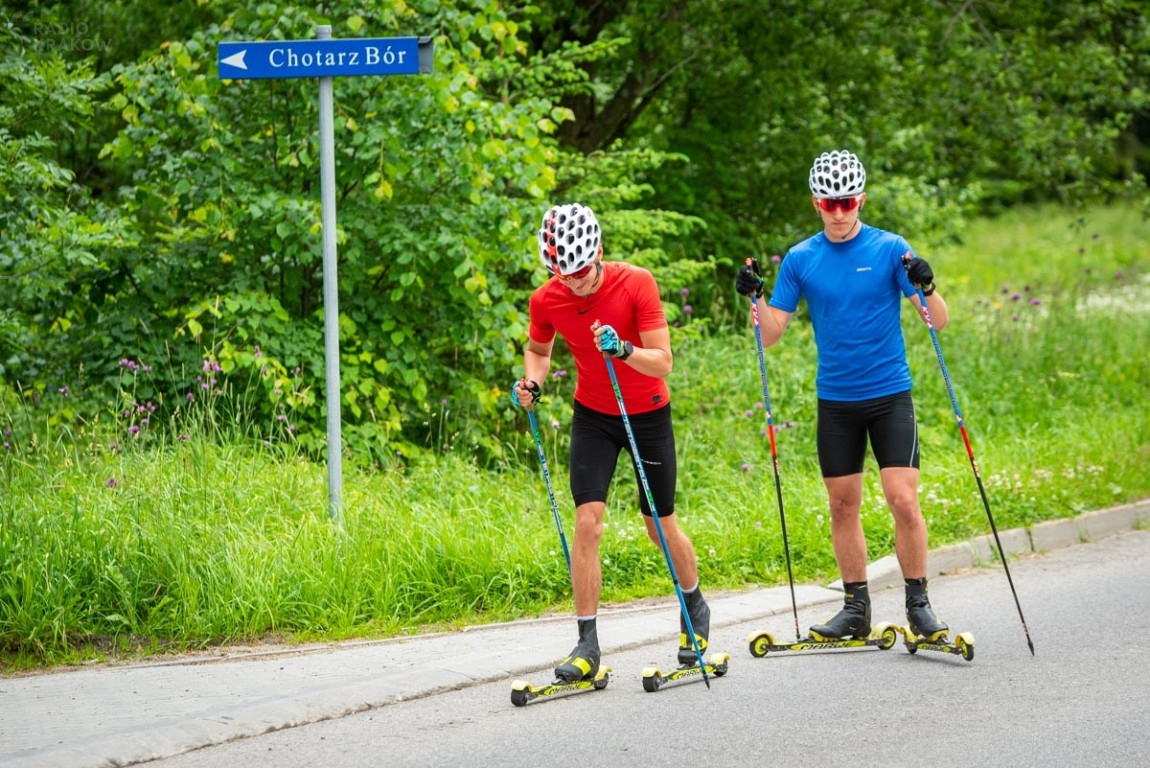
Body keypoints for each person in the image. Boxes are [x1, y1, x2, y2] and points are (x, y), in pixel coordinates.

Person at [735, 150, 953, 641]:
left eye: (848, 201)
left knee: (903, 499)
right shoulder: (801, 258)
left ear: (862, 199)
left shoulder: (889, 248)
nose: (839, 212)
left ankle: (919, 606)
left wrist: (927, 283)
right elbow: (770, 335)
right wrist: (753, 297)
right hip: (836, 402)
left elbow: (936, 320)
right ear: (816, 202)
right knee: (842, 504)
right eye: (830, 203)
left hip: (889, 394)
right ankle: (856, 610)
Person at [512, 202, 710, 682]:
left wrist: (622, 349)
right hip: (594, 416)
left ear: (598, 251)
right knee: (588, 523)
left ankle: (695, 610)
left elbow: (663, 361)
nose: (574, 281)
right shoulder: (547, 298)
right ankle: (587, 644)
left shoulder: (636, 281)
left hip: (646, 414)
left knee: (658, 525)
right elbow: (539, 349)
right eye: (563, 272)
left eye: (581, 270)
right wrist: (531, 383)